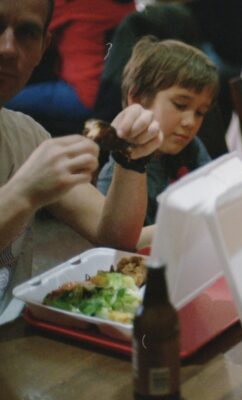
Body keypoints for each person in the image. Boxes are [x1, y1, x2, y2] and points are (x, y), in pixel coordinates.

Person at [0, 0, 162, 312]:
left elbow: (113, 236)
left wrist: (131, 159)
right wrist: (25, 191)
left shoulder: (26, 136)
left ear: (44, 46)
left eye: (26, 33)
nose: (8, 48)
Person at [97, 36, 218, 226]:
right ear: (137, 99)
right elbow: (119, 243)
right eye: (180, 105)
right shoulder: (116, 177)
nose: (190, 122)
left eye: (200, 112)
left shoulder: (192, 146)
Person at [4, 0, 135, 135]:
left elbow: (32, 23)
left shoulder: (74, 3)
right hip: (109, 94)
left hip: (82, 94)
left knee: (6, 100)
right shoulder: (127, 4)